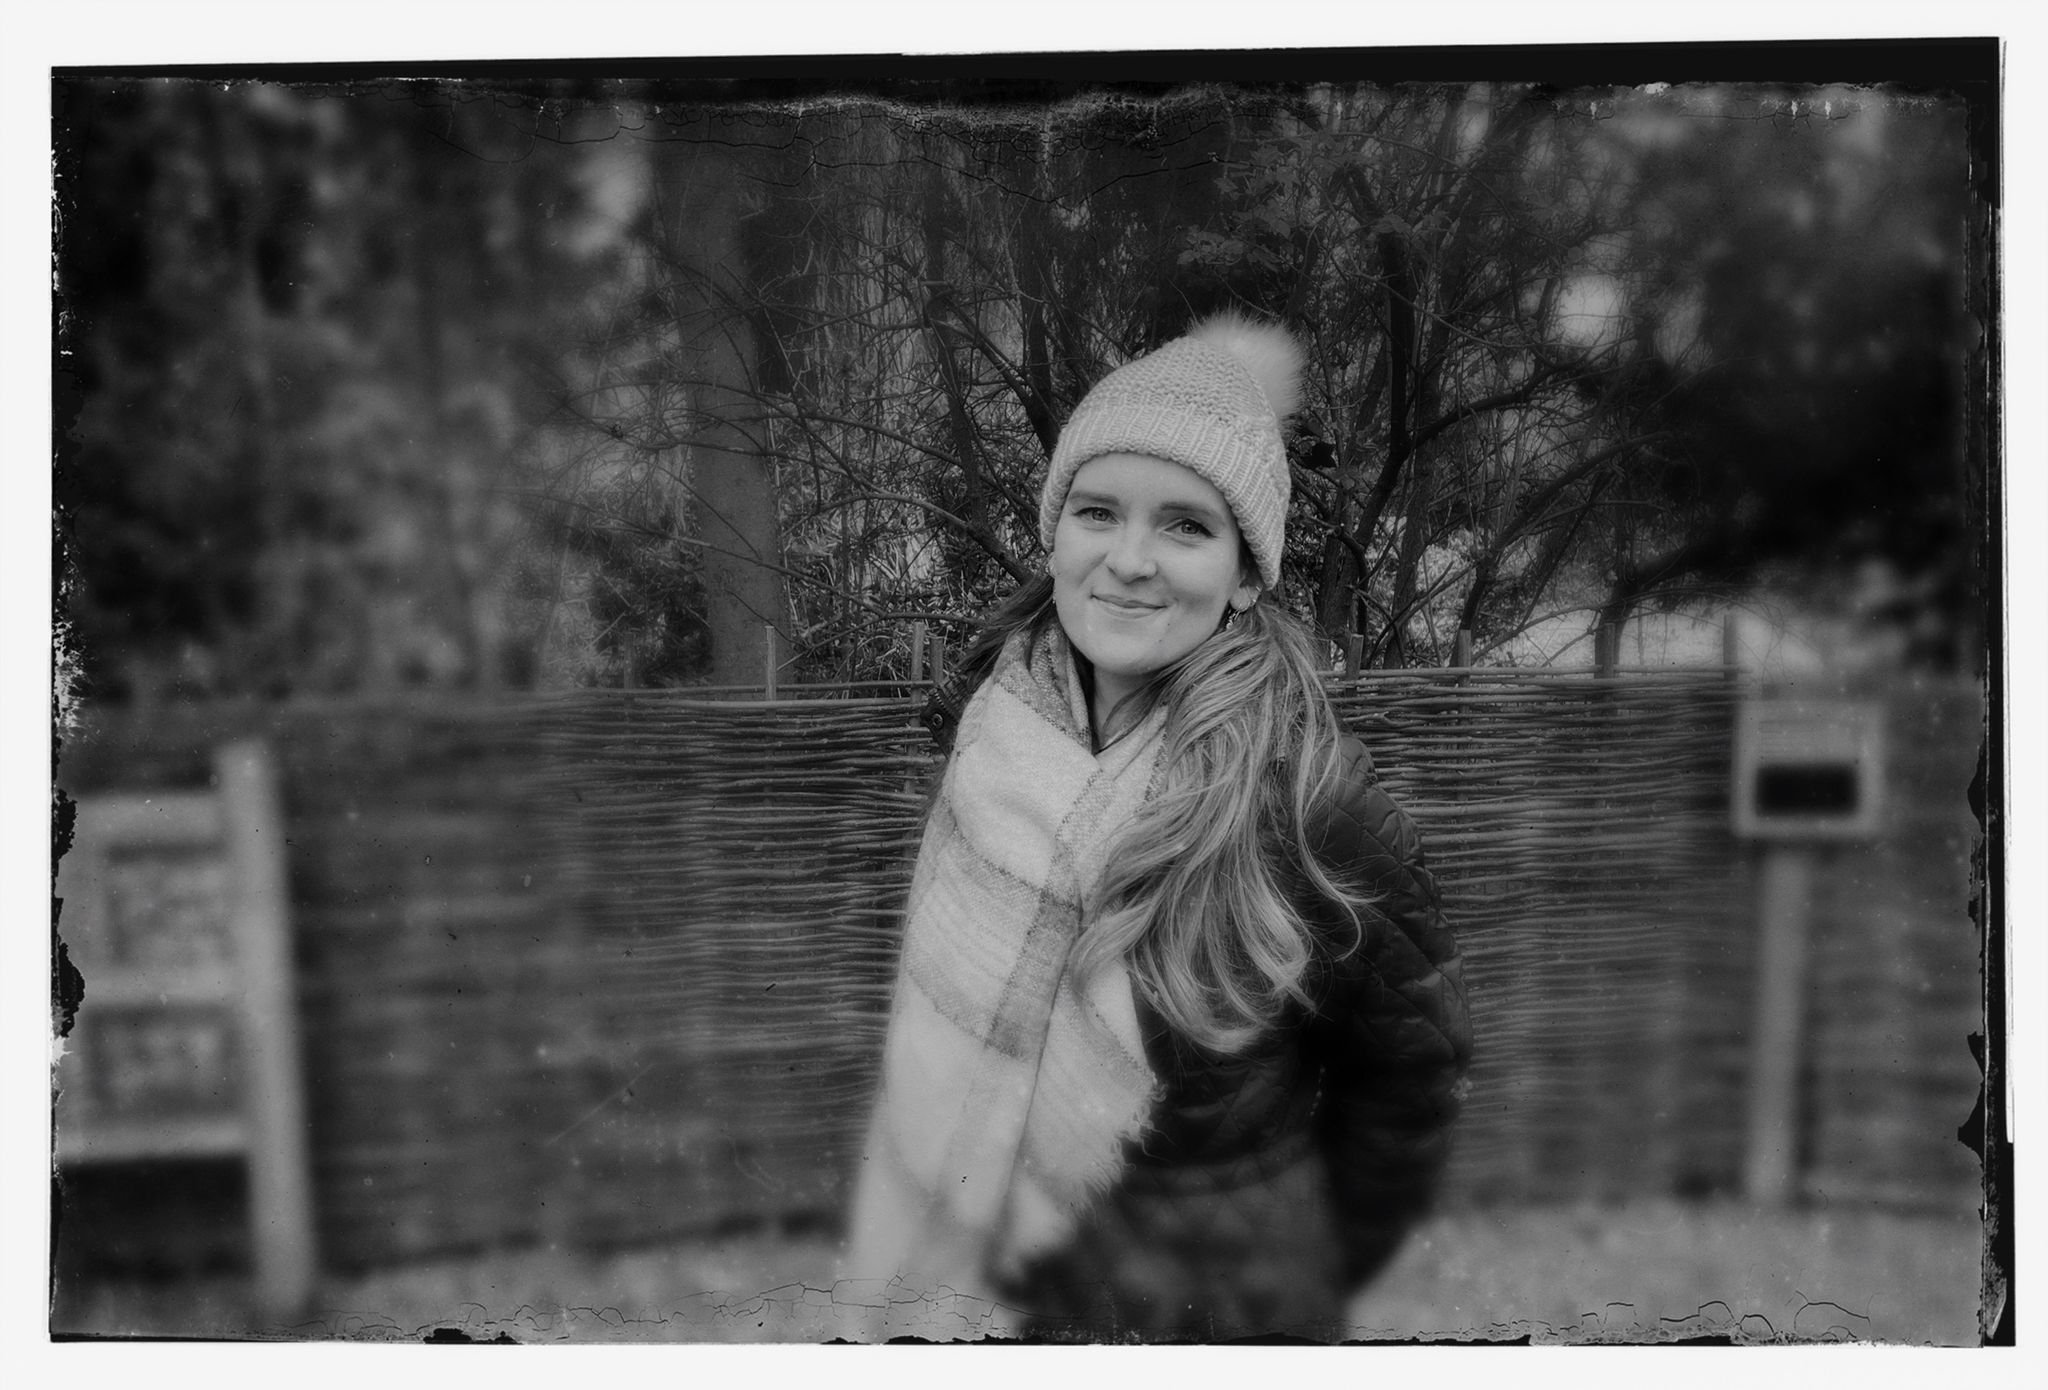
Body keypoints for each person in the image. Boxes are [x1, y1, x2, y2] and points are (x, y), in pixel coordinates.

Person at [843, 312, 1470, 1341]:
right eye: (1098, 511)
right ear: (1056, 536)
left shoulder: (1305, 796)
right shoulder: (989, 742)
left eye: (1185, 526)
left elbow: (1411, 1074)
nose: (1129, 560)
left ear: (1247, 574)